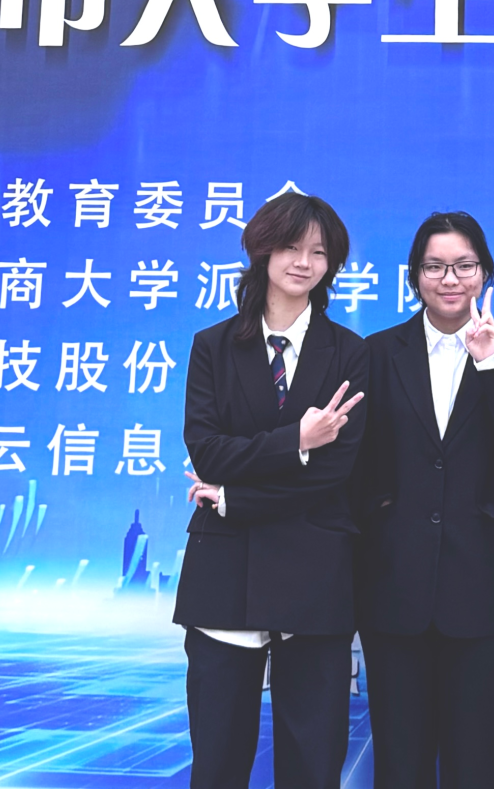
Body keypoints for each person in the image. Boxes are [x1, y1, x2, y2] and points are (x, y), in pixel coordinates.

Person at [352, 212, 494, 789]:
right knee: (399, 758)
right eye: (435, 267)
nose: (450, 279)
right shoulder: (375, 353)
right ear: (414, 277)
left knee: (475, 757)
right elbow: (353, 466)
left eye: (464, 266)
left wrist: (490, 364)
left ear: (485, 273)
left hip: (481, 586)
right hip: (392, 585)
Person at [174, 192, 369, 789]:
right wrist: (297, 440)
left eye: (319, 252)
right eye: (290, 246)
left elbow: (336, 472)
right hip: (225, 575)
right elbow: (207, 451)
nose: (304, 262)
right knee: (217, 760)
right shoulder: (213, 345)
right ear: (261, 251)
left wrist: (235, 498)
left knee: (313, 763)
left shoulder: (351, 353)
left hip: (314, 577)